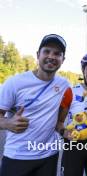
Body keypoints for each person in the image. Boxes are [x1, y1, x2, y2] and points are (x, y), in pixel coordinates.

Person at [0, 34, 72, 176]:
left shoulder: (63, 85)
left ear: (62, 60)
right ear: (38, 55)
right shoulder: (15, 83)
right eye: (47, 51)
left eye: (57, 53)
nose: (51, 56)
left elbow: (59, 122)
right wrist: (7, 123)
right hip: (17, 156)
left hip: (49, 157)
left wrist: (65, 131)